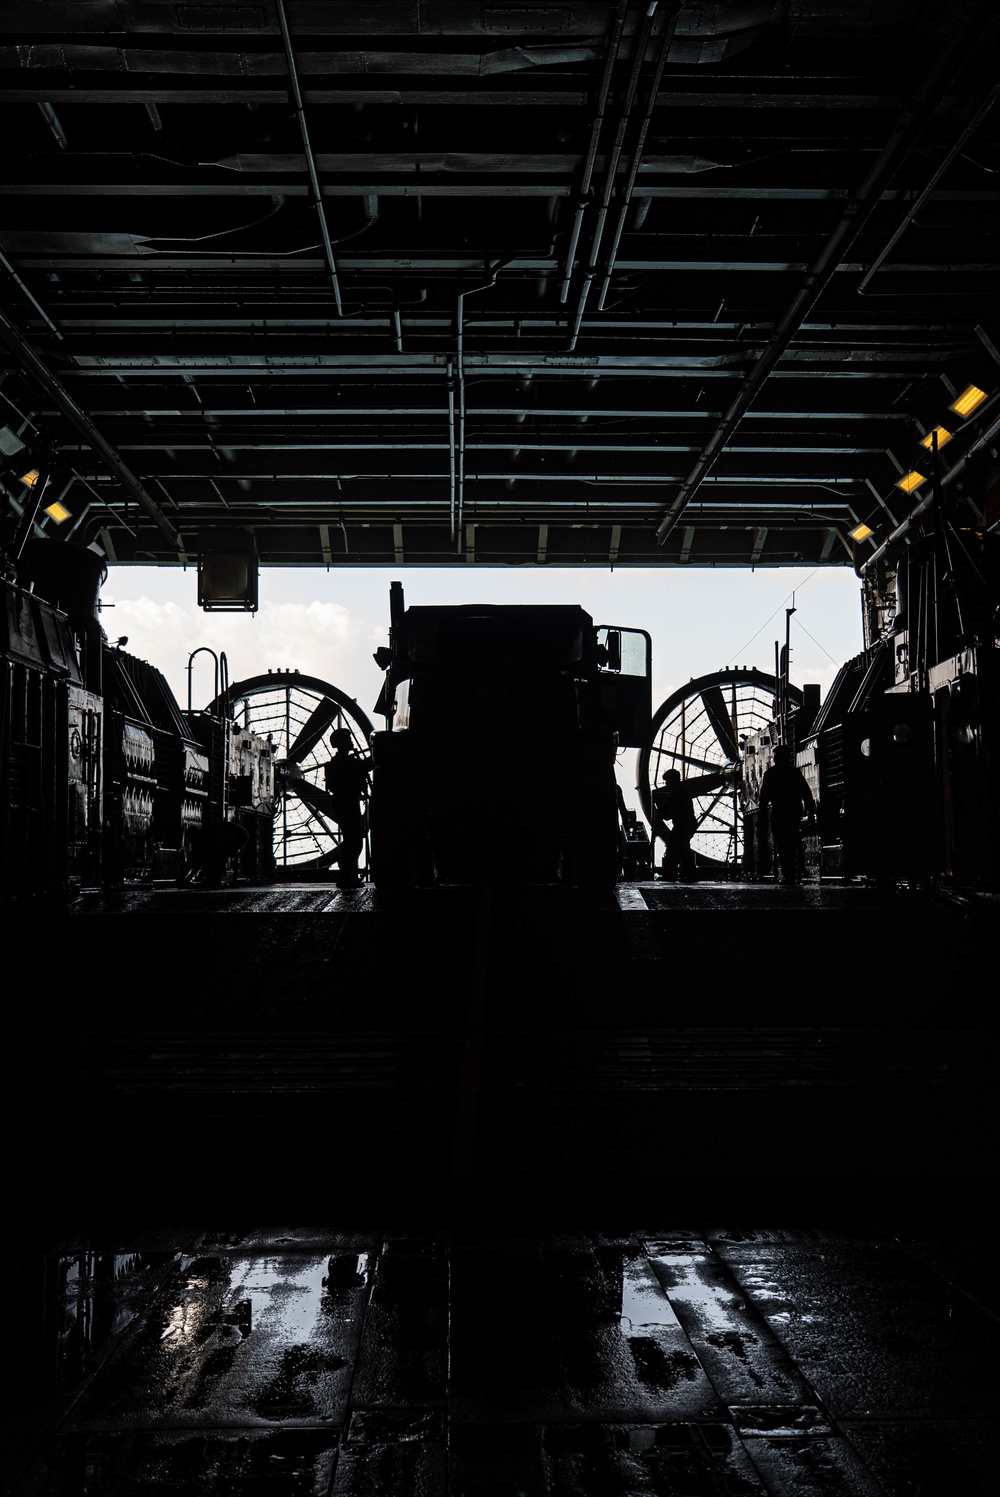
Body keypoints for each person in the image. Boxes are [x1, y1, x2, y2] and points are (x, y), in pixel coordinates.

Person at [652, 765, 738, 881]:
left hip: (682, 826)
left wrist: (658, 818)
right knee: (682, 850)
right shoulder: (681, 791)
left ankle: (673, 875)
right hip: (687, 826)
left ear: (673, 780)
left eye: (667, 781)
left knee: (674, 848)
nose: (666, 784)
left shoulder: (677, 793)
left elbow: (666, 809)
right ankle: (686, 875)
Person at [758, 744, 815, 885]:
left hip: (778, 812)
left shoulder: (770, 774)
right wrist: (811, 812)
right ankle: (796, 871)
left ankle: (787, 874)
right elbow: (806, 793)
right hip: (794, 811)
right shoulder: (794, 773)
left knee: (782, 845)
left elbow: (764, 798)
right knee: (794, 842)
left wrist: (762, 815)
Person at [323, 729, 370, 889]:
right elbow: (365, 766)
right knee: (354, 840)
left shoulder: (338, 762)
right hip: (348, 802)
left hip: (342, 801)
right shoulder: (348, 762)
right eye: (348, 738)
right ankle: (346, 875)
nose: (351, 741)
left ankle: (346, 874)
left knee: (351, 838)